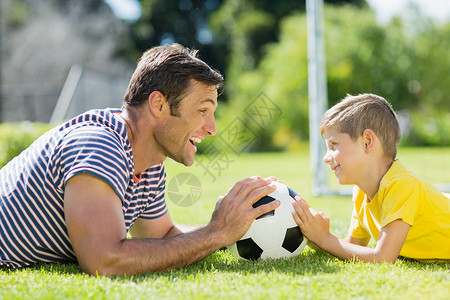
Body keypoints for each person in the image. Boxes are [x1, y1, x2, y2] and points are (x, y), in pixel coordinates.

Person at [0, 43, 280, 275]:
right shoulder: (99, 144)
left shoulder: (148, 162)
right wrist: (216, 234)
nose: (212, 128)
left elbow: (162, 237)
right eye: (202, 110)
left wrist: (239, 225)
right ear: (158, 104)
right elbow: (105, 260)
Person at [292, 93, 450, 263]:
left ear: (367, 141)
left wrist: (325, 238)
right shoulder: (360, 194)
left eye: (333, 145)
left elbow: (383, 258)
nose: (326, 157)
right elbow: (350, 248)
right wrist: (312, 234)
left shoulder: (402, 185)